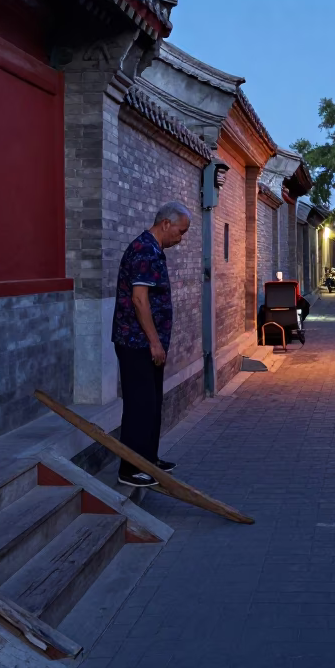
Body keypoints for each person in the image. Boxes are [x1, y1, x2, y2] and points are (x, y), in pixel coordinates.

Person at [112, 201, 191, 488]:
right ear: (165, 224)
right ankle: (130, 469)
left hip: (147, 344)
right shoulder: (144, 250)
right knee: (139, 403)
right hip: (136, 342)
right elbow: (139, 299)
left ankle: (148, 459)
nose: (180, 239)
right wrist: (155, 342)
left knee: (153, 401)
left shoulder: (154, 250)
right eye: (180, 232)